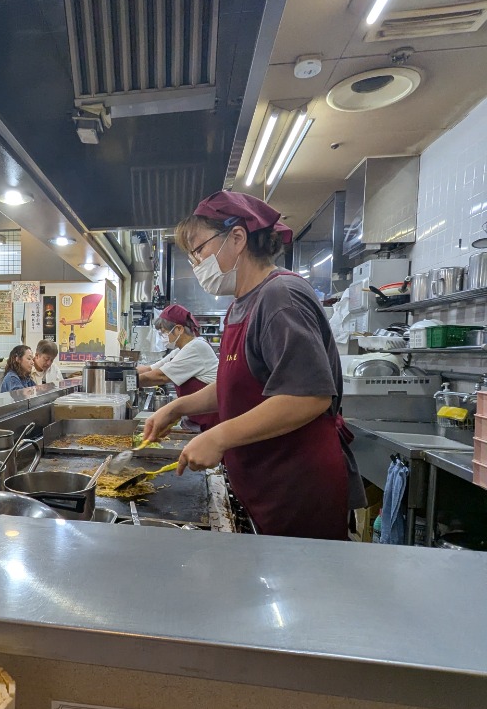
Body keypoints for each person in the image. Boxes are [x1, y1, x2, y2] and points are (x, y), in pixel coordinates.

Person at [143, 190, 365, 540]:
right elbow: (237, 383)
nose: (197, 264)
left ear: (237, 237)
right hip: (265, 476)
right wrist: (177, 407)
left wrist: (220, 435)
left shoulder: (281, 296)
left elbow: (308, 396)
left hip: (297, 483)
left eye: (198, 250)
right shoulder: (241, 305)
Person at [137, 305, 219, 431]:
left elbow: (160, 376)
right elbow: (150, 369)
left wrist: (128, 382)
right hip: (197, 420)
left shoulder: (196, 347)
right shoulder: (179, 351)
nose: (163, 336)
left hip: (212, 421)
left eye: (163, 332)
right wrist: (122, 373)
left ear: (179, 329)